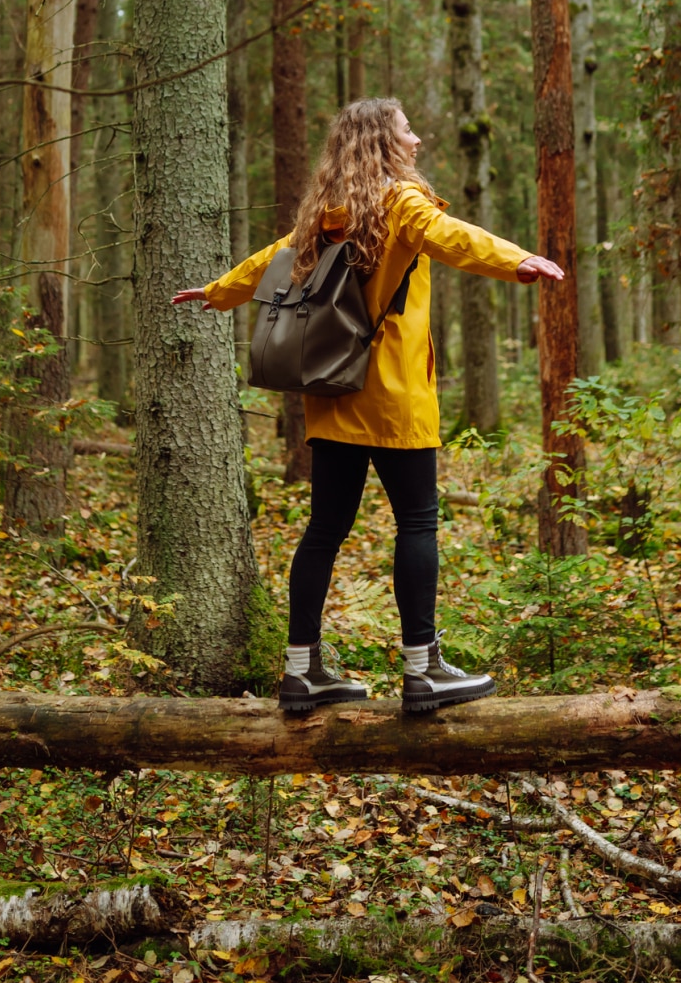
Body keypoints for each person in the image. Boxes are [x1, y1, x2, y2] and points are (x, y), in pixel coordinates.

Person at [172, 98, 563, 714]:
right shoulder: (399, 203)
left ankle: (302, 671)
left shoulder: (326, 215)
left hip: (331, 392)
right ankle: (422, 669)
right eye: (409, 129)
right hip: (394, 396)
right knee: (418, 521)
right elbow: (451, 236)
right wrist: (518, 259)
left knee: (324, 529)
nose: (417, 138)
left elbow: (270, 262)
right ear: (385, 141)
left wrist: (219, 291)